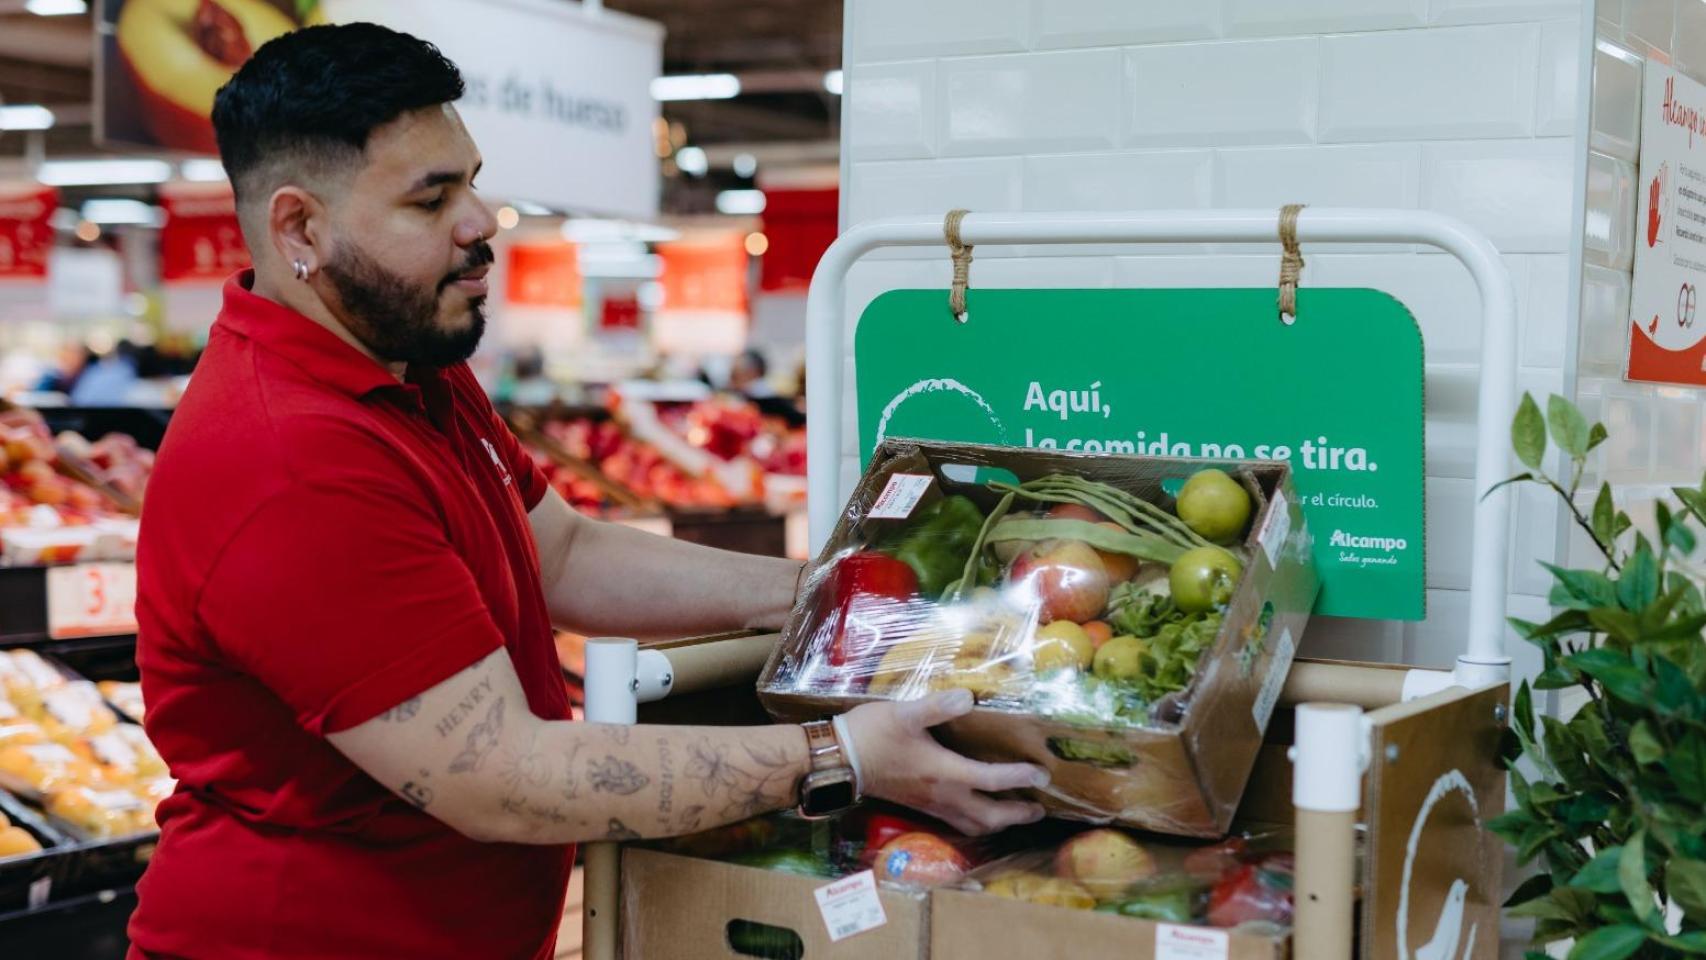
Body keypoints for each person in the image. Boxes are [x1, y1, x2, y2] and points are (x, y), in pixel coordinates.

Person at [128, 23, 1046, 960]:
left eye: (470, 179)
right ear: (300, 231)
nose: (480, 219)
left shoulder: (408, 368)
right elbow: (499, 773)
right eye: (431, 198)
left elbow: (565, 553)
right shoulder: (289, 460)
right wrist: (842, 756)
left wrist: (833, 594)